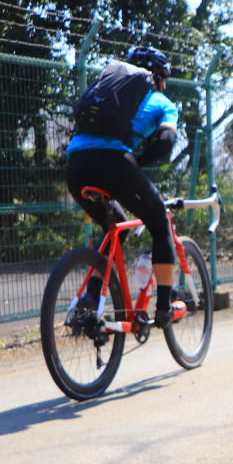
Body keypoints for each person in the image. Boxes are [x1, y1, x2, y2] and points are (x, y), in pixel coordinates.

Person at [65, 46, 182, 328]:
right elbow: (165, 143)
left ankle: (92, 297)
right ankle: (164, 307)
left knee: (116, 224)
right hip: (115, 162)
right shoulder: (161, 101)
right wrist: (136, 163)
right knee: (160, 223)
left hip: (76, 166)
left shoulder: (108, 94)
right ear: (159, 78)